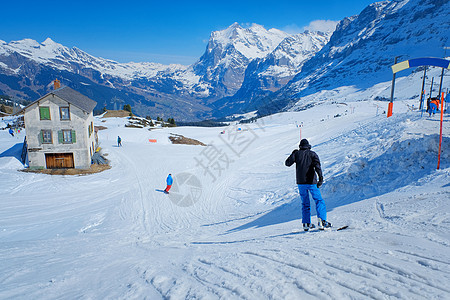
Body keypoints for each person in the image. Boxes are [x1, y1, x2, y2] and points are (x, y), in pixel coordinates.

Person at [285, 139, 331, 231]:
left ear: (300, 146)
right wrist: (320, 178)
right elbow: (317, 166)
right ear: (308, 146)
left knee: (305, 203)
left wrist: (293, 154)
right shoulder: (312, 154)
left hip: (301, 183)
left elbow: (287, 163)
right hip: (311, 182)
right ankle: (322, 221)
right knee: (319, 201)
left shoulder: (297, 154)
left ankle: (306, 223)